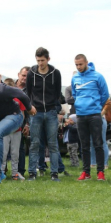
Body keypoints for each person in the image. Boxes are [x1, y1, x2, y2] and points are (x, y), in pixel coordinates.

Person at [26, 47, 62, 181]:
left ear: (48, 59)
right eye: (38, 60)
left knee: (53, 144)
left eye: (42, 60)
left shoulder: (55, 73)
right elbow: (28, 92)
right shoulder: (31, 73)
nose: (40, 63)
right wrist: (31, 106)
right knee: (34, 143)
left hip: (51, 111)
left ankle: (54, 173)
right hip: (36, 112)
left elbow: (58, 92)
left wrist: (54, 106)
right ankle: (32, 173)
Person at [71, 54, 109, 181]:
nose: (79, 67)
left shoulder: (98, 76)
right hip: (80, 115)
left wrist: (96, 105)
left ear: (86, 62)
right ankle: (86, 172)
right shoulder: (75, 77)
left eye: (81, 64)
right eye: (76, 65)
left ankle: (100, 172)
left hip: (94, 114)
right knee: (84, 145)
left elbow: (105, 94)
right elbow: (75, 94)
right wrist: (80, 105)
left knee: (98, 144)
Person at [1, 78, 25, 180]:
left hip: (17, 130)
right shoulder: (1, 100)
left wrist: (21, 125)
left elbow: (22, 114)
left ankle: (15, 172)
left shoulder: (18, 99)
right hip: (5, 130)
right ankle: (1, 172)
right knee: (4, 152)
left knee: (15, 153)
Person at [16, 66, 30, 176]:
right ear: (18, 75)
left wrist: (28, 124)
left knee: (20, 147)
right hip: (8, 120)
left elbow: (30, 108)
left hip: (23, 122)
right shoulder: (9, 86)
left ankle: (20, 171)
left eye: (27, 76)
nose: (25, 78)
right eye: (24, 75)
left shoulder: (30, 91)